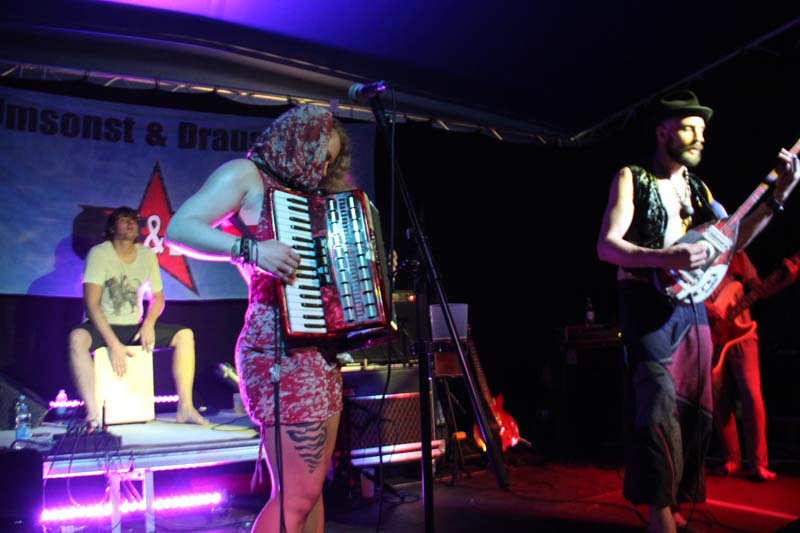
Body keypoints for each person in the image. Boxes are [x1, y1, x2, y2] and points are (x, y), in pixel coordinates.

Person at [596, 89, 800, 533]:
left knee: (695, 409)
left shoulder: (699, 189)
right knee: (657, 406)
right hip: (644, 304)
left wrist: (780, 193)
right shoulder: (633, 178)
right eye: (688, 128)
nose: (699, 137)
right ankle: (659, 514)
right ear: (662, 132)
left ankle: (672, 503)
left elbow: (734, 239)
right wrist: (663, 257)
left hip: (691, 307)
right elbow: (607, 246)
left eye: (702, 130)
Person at [165, 104, 356, 533]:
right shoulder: (247, 175)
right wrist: (251, 250)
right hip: (277, 352)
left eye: (330, 162)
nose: (322, 168)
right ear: (296, 142)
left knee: (311, 493)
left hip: (321, 355)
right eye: (319, 156)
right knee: (297, 495)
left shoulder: (314, 198)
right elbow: (179, 230)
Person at [68, 206, 208, 427]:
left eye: (134, 220)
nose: (131, 223)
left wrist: (149, 323)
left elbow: (157, 298)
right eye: (124, 219)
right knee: (77, 338)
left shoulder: (147, 255)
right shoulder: (99, 254)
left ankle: (186, 407)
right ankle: (93, 414)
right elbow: (92, 305)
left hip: (134, 327)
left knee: (185, 335)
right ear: (112, 228)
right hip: (102, 327)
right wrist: (114, 344)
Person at [705, 249, 799, 482]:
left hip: (743, 331)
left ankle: (759, 463)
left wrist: (787, 280)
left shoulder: (739, 255)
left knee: (752, 395)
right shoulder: (699, 250)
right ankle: (732, 459)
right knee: (718, 398)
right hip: (712, 332)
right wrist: (706, 307)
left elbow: (759, 289)